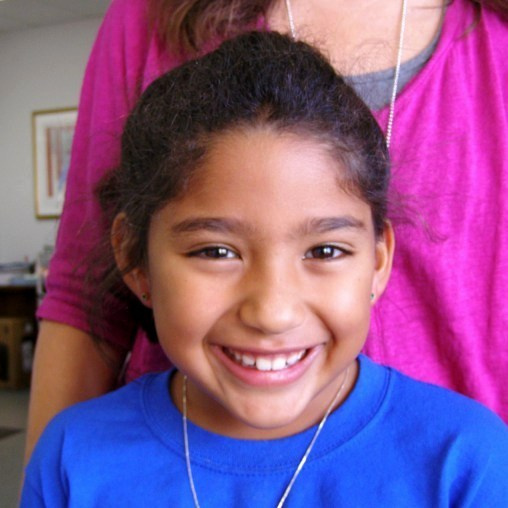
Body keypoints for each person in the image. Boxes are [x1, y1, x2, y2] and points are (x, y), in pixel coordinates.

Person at [21, 33, 508, 507]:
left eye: (325, 251)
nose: (272, 313)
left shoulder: (465, 460)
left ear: (378, 261)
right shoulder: (74, 458)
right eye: (215, 252)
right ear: (136, 259)